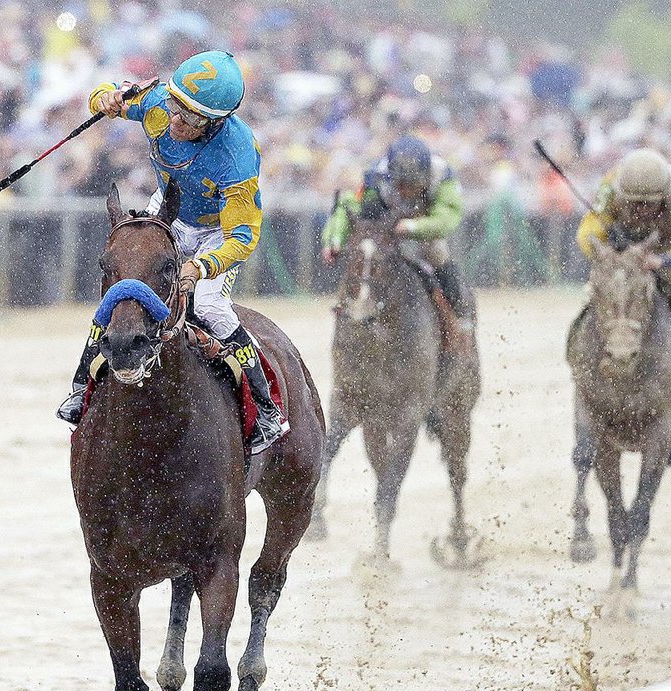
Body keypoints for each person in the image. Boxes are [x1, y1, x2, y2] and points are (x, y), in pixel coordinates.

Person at [56, 50, 287, 455]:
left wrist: (200, 268)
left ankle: (266, 408)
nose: (177, 121)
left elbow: (243, 237)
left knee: (212, 306)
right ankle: (81, 387)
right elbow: (102, 95)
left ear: (216, 122)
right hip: (169, 212)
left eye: (192, 118)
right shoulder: (159, 102)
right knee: (126, 283)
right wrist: (106, 98)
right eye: (176, 107)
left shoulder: (237, 154)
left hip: (218, 231)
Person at [576, 147, 671, 382]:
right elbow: (588, 230)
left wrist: (664, 260)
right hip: (621, 257)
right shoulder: (611, 184)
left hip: (667, 255)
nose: (640, 209)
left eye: (648, 203)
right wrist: (605, 253)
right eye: (633, 203)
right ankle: (579, 351)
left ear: (664, 196)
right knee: (595, 296)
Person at [321, 135, 473, 326]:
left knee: (438, 254)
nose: (405, 191)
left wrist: (412, 226)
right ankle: (351, 311)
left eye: (412, 184)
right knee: (363, 257)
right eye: (400, 184)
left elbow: (447, 218)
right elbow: (348, 208)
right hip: (385, 231)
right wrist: (334, 240)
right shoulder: (374, 177)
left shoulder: (442, 176)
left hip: (424, 231)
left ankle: (460, 318)